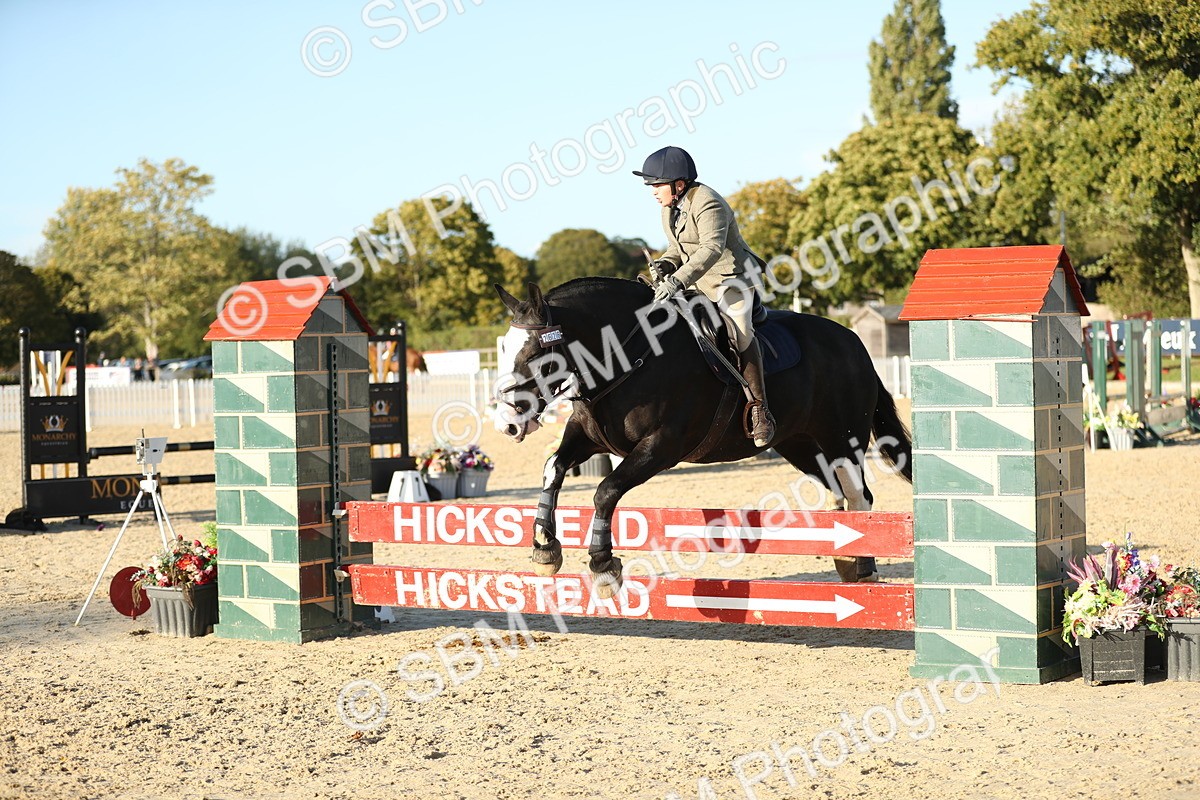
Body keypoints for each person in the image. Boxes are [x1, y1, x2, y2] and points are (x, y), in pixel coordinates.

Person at [633, 145, 776, 446]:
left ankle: (761, 410)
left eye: (657, 184)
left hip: (731, 279)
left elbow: (710, 249)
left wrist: (678, 281)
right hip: (697, 281)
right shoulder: (668, 209)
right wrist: (666, 263)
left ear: (679, 184)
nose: (652, 191)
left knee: (740, 331)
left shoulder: (709, 203)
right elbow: (679, 248)